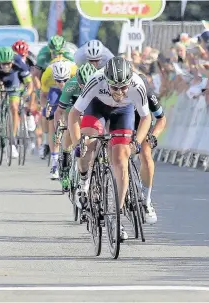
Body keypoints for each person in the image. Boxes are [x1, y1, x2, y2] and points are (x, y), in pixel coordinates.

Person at [68, 56, 152, 240]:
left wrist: (136, 141)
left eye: (124, 88)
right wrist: (77, 143)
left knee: (121, 158)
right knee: (88, 144)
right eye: (115, 87)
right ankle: (84, 179)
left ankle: (116, 217)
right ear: (107, 81)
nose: (120, 92)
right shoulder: (96, 80)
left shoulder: (137, 85)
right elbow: (74, 114)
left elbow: (146, 118)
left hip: (123, 112)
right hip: (97, 107)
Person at [0, 46, 33, 159]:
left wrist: (26, 93)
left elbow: (29, 83)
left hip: (12, 79)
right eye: (3, 64)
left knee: (14, 108)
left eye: (8, 64)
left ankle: (12, 141)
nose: (6, 66)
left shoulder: (19, 61)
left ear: (12, 61)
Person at [54, 62, 97, 190]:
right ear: (78, 82)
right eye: (83, 85)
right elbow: (59, 111)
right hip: (73, 108)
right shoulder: (70, 85)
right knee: (69, 129)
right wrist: (58, 128)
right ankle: (65, 167)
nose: (86, 88)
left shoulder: (100, 84)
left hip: (91, 109)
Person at [134, 67, 167, 224]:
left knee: (146, 152)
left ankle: (147, 200)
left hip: (143, 122)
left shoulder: (147, 92)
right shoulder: (117, 90)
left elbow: (161, 119)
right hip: (121, 120)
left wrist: (154, 136)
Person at [41, 60, 77, 179]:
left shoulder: (74, 71)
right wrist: (45, 109)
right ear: (54, 78)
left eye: (64, 80)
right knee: (52, 120)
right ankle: (55, 163)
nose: (62, 83)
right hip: (53, 91)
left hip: (72, 89)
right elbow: (43, 94)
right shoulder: (47, 76)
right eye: (58, 80)